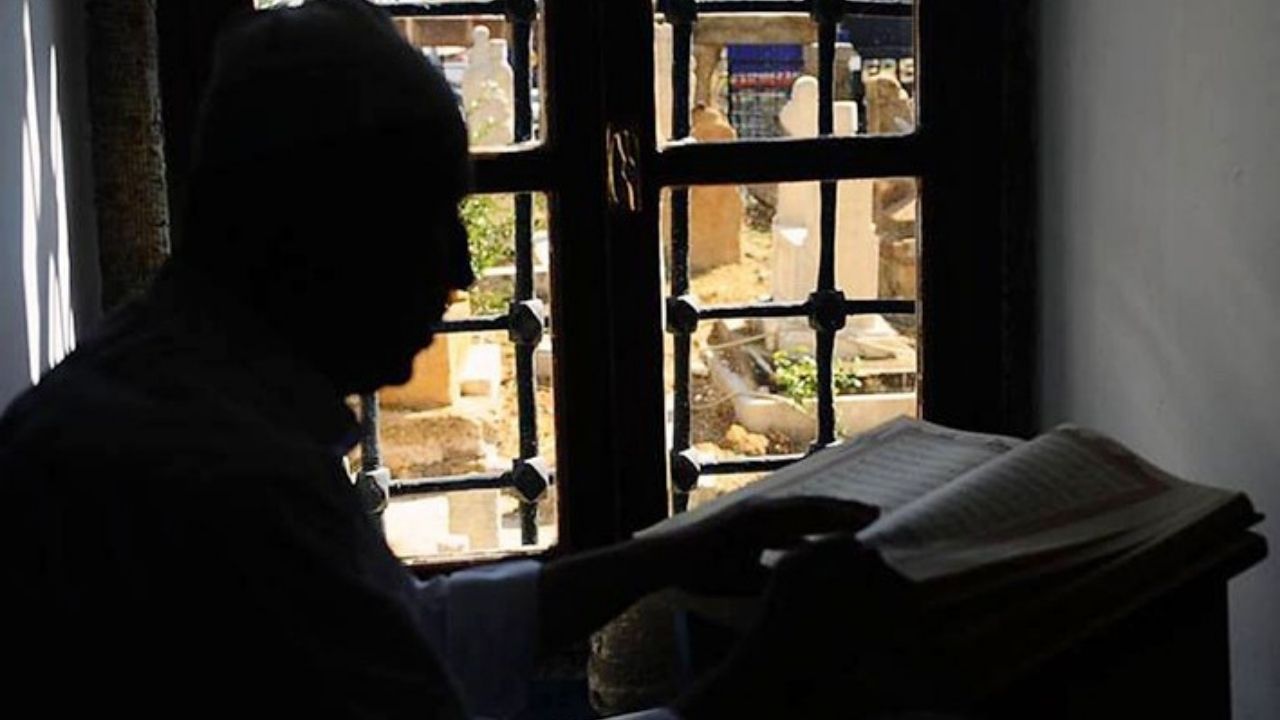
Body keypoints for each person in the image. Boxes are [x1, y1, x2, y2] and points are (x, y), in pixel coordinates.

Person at [0, 1, 880, 717]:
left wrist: (668, 556)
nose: (460, 270)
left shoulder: (166, 396)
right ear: (314, 233)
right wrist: (770, 682)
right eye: (429, 222)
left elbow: (402, 632)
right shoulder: (229, 487)